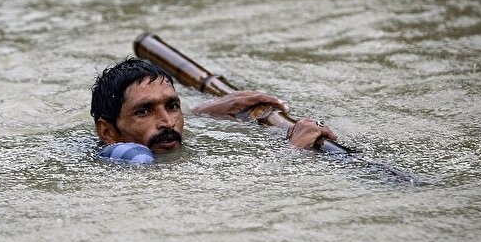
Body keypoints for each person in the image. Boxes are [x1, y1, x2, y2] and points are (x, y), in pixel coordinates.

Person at [90, 58, 338, 163]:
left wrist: (208, 110)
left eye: (172, 106)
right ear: (107, 132)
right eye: (144, 111)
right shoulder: (131, 161)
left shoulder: (153, 140)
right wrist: (291, 151)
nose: (167, 122)